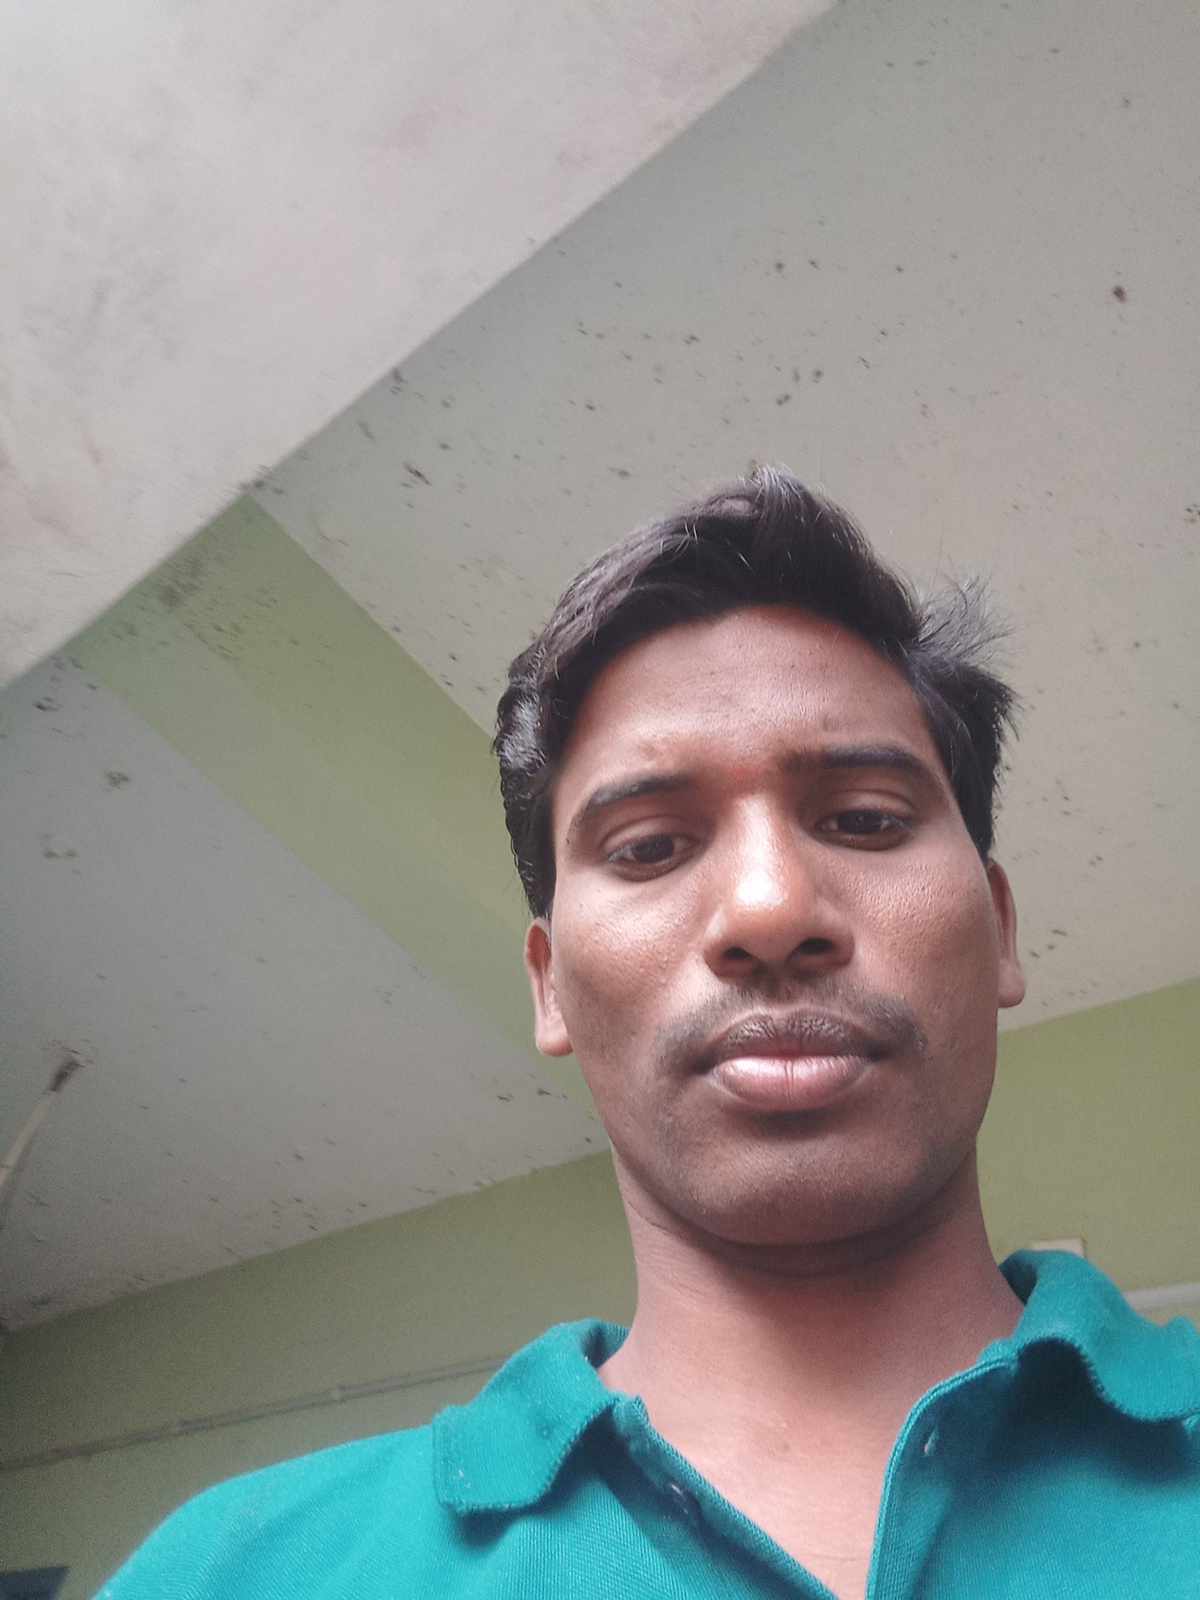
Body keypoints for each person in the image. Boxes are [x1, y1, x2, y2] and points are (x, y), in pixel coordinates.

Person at [100, 468, 1199, 1598]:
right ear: (550, 989)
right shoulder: (235, 1570)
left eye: (866, 819)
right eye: (649, 848)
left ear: (1000, 928)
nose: (769, 908)